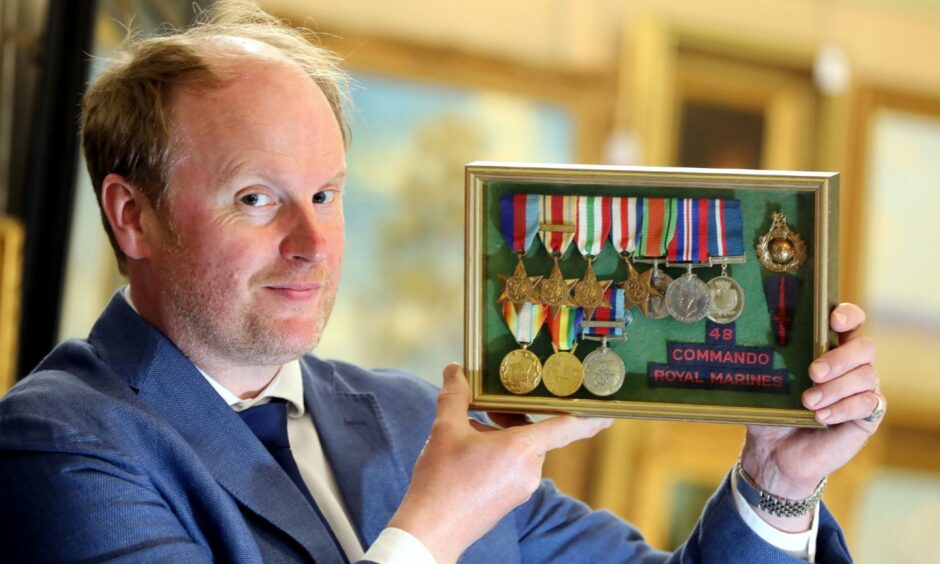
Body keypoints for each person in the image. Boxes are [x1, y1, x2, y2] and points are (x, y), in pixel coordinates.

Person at [0, 2, 883, 562]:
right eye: (256, 198)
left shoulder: (416, 417)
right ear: (133, 217)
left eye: (326, 194)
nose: (313, 243)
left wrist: (778, 485)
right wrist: (433, 528)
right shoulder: (56, 442)